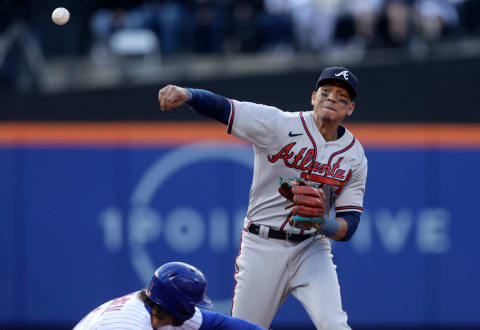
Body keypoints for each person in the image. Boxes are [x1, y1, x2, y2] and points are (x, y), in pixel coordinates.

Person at [157, 66, 368, 329]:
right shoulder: (278, 124)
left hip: (311, 248)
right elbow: (226, 108)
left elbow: (350, 224)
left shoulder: (354, 156)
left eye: (341, 97)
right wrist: (188, 93)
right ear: (313, 97)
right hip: (262, 245)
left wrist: (323, 225)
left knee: (335, 325)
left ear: (350, 109)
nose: (332, 99)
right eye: (325, 92)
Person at [74, 262, 265, 329]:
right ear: (178, 306)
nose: (192, 310)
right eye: (190, 305)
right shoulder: (129, 323)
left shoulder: (156, 307)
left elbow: (220, 325)